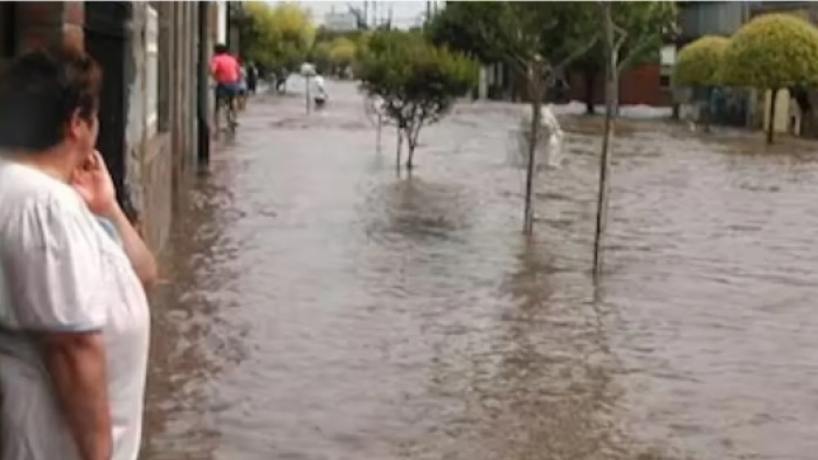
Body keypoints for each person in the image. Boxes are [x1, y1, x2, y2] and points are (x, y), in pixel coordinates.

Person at [0, 47, 157, 460]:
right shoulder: (44, 206)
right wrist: (99, 453)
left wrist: (108, 208)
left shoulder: (60, 200)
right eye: (95, 117)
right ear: (76, 124)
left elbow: (142, 275)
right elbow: (70, 345)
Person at [210, 44, 241, 129]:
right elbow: (238, 71)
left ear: (216, 51)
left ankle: (219, 123)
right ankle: (234, 119)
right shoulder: (232, 59)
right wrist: (237, 80)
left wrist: (214, 78)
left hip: (223, 83)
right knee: (233, 100)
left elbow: (212, 70)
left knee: (219, 103)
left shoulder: (216, 59)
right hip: (233, 82)